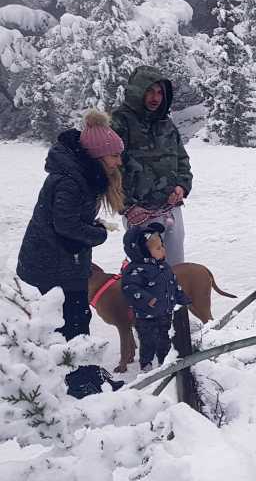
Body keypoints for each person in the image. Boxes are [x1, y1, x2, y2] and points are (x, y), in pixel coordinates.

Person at [16, 110, 125, 340]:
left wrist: (90, 225)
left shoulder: (83, 175)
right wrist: (99, 234)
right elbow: (65, 225)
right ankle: (79, 375)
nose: (118, 161)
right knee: (69, 323)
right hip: (49, 267)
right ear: (98, 156)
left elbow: (68, 219)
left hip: (63, 262)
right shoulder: (70, 180)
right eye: (114, 155)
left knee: (76, 318)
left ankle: (82, 373)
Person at [111, 66, 192, 265]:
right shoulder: (120, 123)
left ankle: (174, 296)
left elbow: (182, 160)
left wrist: (182, 186)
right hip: (140, 213)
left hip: (170, 208)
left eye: (159, 93)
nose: (155, 98)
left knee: (175, 267)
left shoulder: (167, 124)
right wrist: (128, 207)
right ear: (138, 91)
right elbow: (111, 170)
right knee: (148, 271)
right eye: (149, 91)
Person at [120, 223, 191, 370]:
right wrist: (148, 300)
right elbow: (130, 288)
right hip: (146, 318)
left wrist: (182, 298)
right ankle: (146, 366)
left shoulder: (164, 267)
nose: (163, 250)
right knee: (148, 342)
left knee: (165, 341)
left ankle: (164, 365)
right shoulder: (135, 270)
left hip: (165, 313)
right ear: (143, 251)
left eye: (162, 246)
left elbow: (173, 285)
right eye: (158, 248)